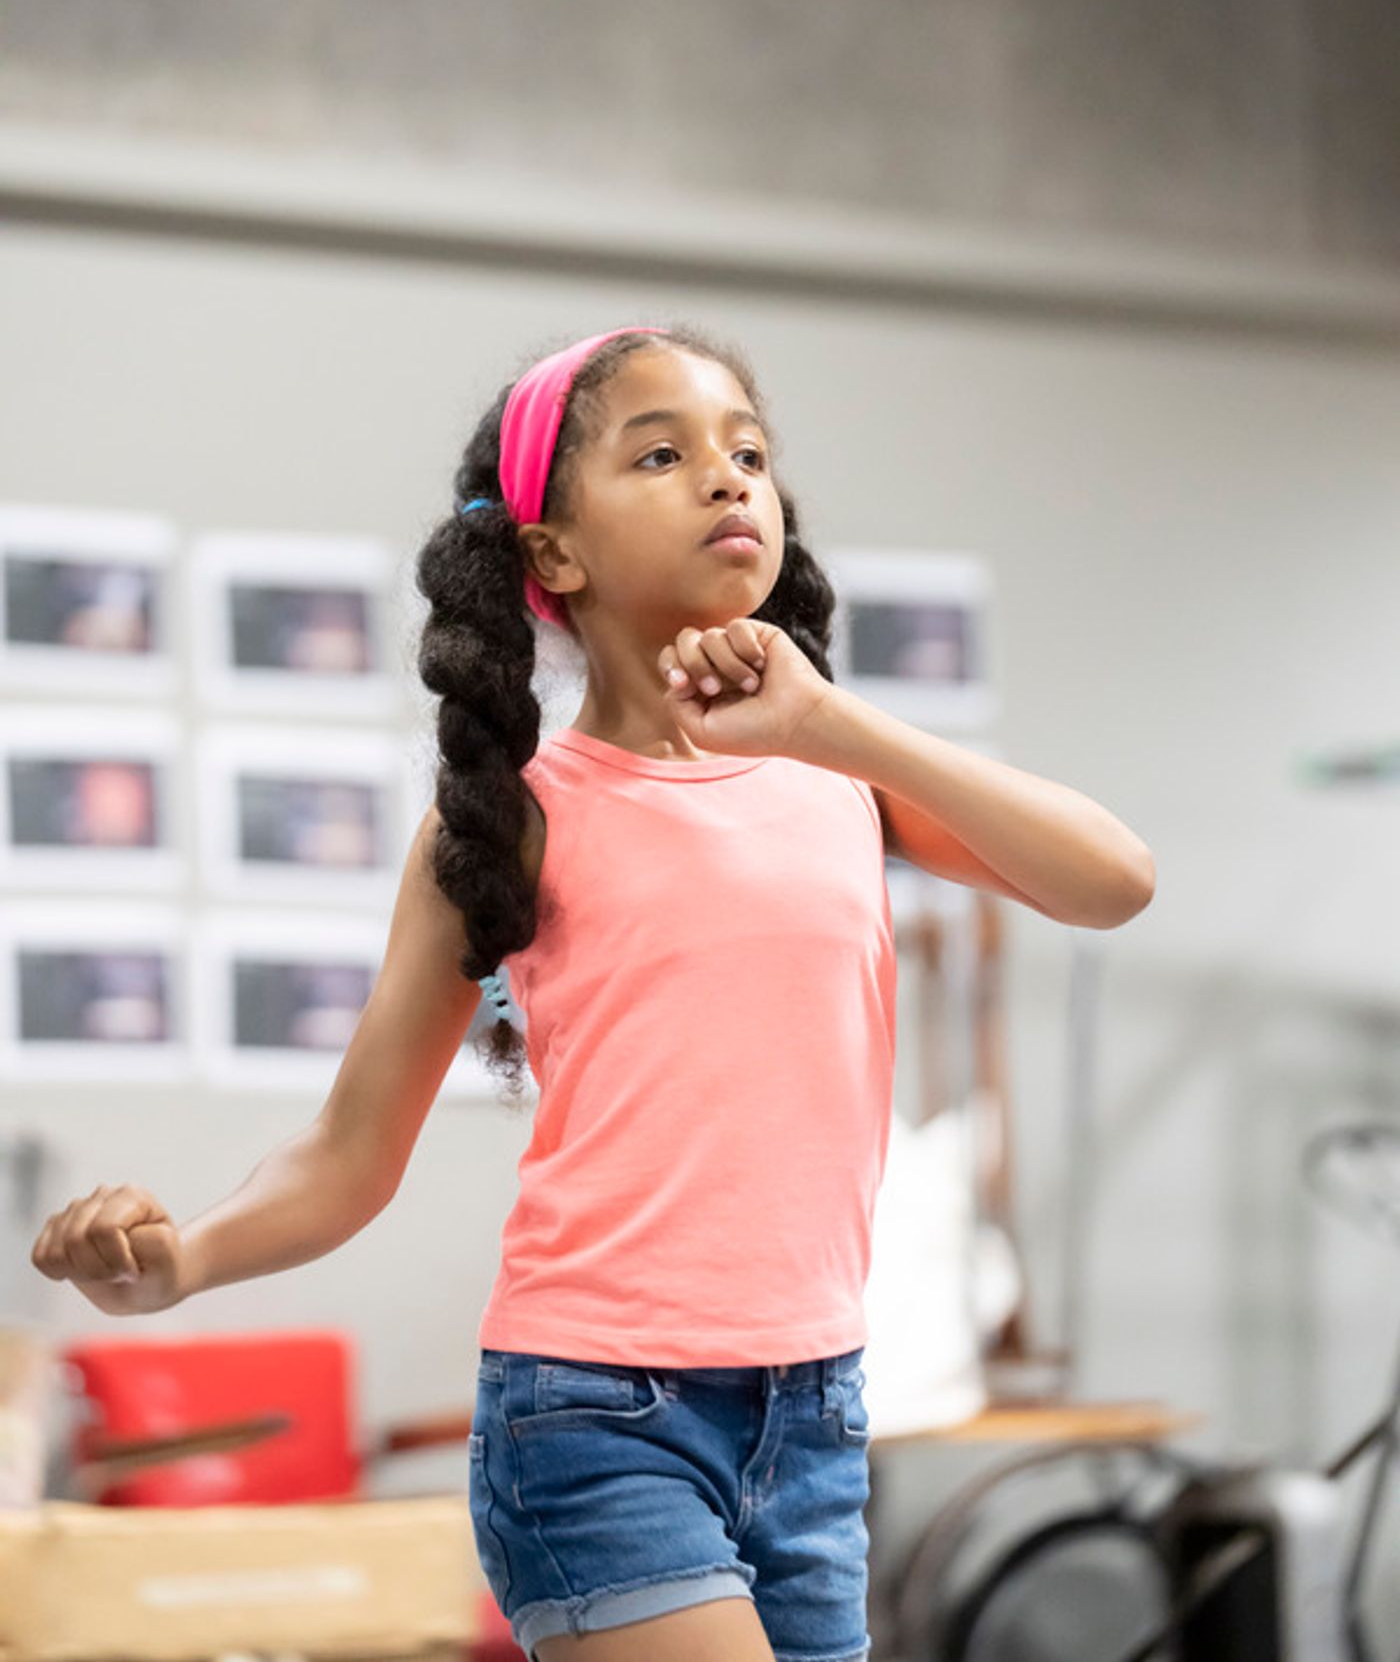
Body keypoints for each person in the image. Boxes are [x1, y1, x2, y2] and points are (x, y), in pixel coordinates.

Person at [31, 320, 1156, 1662]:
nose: (730, 480)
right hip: (595, 1417)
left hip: (817, 1419)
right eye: (665, 454)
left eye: (749, 453)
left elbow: (1114, 879)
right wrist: (181, 1267)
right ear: (552, 553)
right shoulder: (515, 819)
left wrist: (827, 724)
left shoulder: (842, 778)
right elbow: (350, 1149)